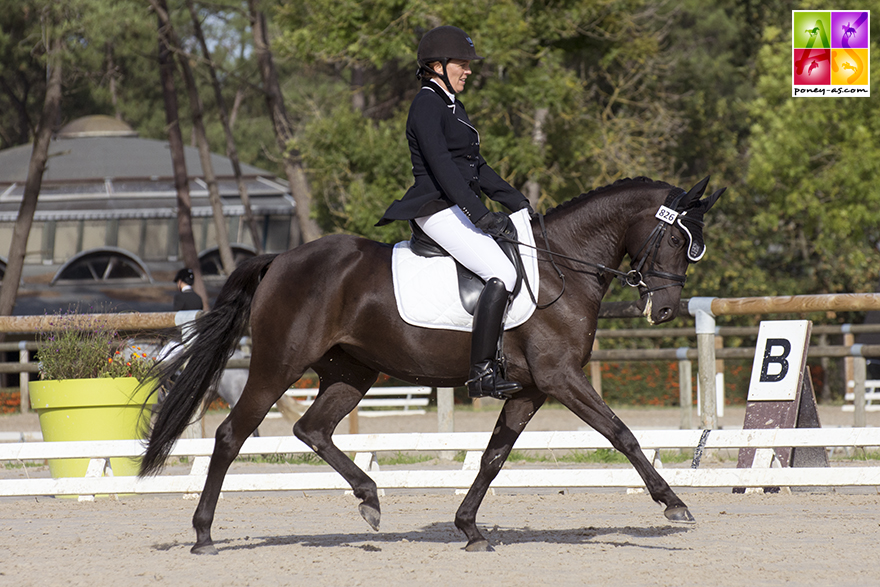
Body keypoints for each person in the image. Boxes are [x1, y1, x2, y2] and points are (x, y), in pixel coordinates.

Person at [376, 25, 532, 400]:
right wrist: (480, 215)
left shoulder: (451, 105)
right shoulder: (426, 104)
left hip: (454, 206)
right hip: (436, 208)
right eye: (462, 63)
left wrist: (520, 204)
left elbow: (476, 167)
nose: (469, 70)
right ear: (437, 65)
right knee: (501, 272)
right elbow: (444, 169)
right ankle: (482, 373)